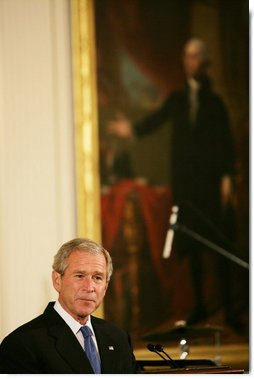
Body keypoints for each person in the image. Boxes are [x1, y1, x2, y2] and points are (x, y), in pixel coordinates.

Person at [108, 38, 239, 328]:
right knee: (191, 247)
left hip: (210, 187)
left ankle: (230, 311)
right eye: (186, 56)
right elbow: (156, 120)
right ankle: (200, 308)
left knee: (219, 248)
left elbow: (225, 144)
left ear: (204, 62)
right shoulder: (178, 99)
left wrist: (227, 178)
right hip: (187, 188)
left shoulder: (215, 103)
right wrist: (131, 129)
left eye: (194, 57)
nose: (189, 62)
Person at [0, 238, 137, 374]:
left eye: (97, 278)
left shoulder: (118, 338)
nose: (89, 287)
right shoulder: (21, 344)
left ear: (105, 287)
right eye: (79, 276)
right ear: (57, 281)